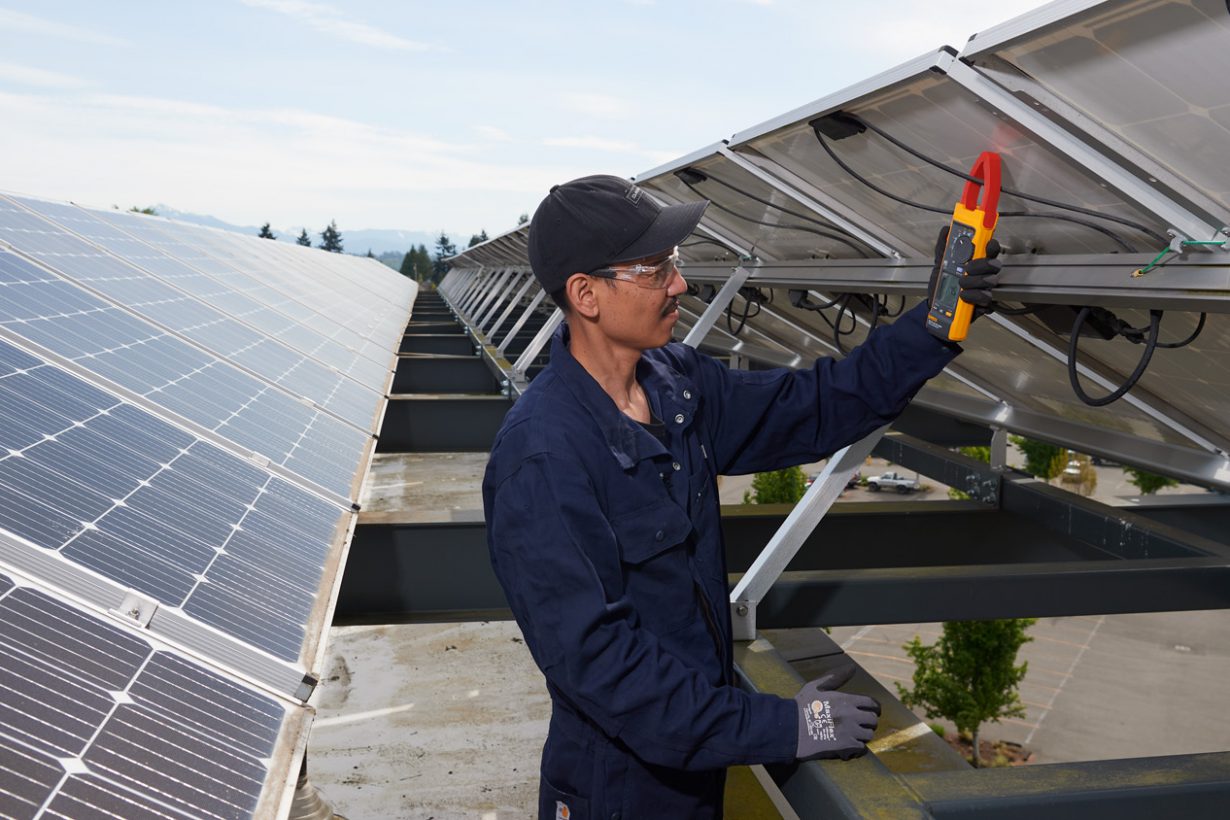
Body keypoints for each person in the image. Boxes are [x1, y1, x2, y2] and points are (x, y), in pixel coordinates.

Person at [482, 174, 999, 818]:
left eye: (673, 263)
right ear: (586, 294)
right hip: (618, 790)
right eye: (654, 269)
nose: (679, 284)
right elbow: (606, 670)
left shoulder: (676, 386)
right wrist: (786, 727)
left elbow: (816, 405)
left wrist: (933, 327)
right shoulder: (544, 458)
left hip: (697, 763)